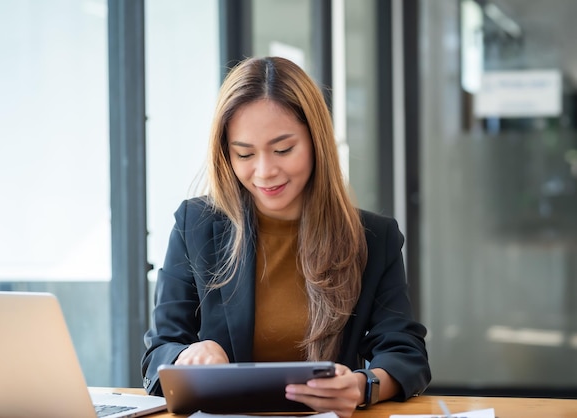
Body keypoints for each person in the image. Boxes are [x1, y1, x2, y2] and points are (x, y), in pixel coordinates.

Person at [141, 56, 431, 418]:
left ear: (316, 142)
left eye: (283, 149)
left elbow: (406, 354)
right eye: (244, 153)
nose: (265, 172)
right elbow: (159, 353)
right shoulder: (195, 224)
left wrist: (360, 386)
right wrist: (189, 356)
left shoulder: (373, 238)